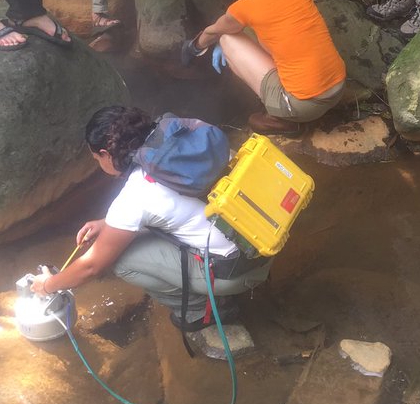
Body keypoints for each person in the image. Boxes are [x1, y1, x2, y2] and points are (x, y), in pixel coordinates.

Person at [29, 105, 271, 332]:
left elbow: (92, 266)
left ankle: (199, 311)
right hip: (266, 239)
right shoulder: (185, 140)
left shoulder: (136, 194)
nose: (99, 164)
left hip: (240, 272)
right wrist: (107, 223)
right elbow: (178, 204)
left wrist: (48, 285)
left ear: (105, 153)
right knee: (144, 230)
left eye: (97, 159)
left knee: (122, 260)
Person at [183, 0, 346, 135]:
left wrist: (193, 48)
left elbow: (212, 32)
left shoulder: (244, 8)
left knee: (226, 39)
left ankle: (288, 121)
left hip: (304, 104)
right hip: (338, 84)